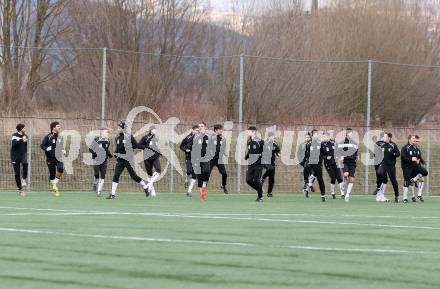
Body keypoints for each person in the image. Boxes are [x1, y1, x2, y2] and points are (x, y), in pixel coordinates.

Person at [107, 121, 149, 199]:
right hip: (120, 160)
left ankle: (144, 185)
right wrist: (116, 153)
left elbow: (136, 145)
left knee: (133, 176)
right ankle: (112, 194)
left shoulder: (129, 136)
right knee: (116, 175)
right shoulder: (117, 138)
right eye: (118, 128)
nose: (118, 129)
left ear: (123, 129)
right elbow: (118, 148)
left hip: (129, 159)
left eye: (119, 128)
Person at [400, 135, 428, 203]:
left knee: (425, 172)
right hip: (407, 167)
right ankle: (405, 198)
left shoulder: (416, 148)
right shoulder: (405, 148)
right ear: (409, 139)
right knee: (406, 181)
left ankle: (414, 180)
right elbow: (403, 157)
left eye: (415, 139)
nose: (415, 140)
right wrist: (411, 159)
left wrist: (422, 161)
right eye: (413, 138)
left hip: (415, 167)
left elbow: (418, 157)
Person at [40, 121, 64, 197]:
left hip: (59, 156)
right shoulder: (48, 136)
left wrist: (63, 150)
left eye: (59, 126)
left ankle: (54, 184)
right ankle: (55, 187)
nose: (59, 127)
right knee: (52, 174)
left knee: (61, 168)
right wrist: (46, 148)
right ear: (53, 128)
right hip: (50, 158)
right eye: (58, 126)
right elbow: (42, 145)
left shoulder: (60, 137)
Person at [375, 132, 400, 203]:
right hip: (383, 164)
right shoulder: (380, 144)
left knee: (393, 180)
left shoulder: (393, 145)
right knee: (379, 173)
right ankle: (378, 188)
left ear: (389, 138)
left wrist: (394, 154)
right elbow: (376, 149)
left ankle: (397, 195)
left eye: (385, 137)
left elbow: (398, 153)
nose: (384, 138)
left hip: (391, 165)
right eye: (383, 137)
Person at [192, 122, 212, 202]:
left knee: (206, 171)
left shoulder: (208, 137)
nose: (200, 127)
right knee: (199, 176)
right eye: (199, 126)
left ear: (205, 127)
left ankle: (204, 184)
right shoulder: (195, 137)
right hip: (197, 159)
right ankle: (202, 194)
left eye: (202, 126)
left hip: (206, 158)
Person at [139, 125, 162, 197]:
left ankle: (149, 184)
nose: (155, 131)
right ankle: (152, 191)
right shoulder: (145, 137)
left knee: (158, 170)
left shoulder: (157, 138)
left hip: (155, 157)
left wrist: (159, 152)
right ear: (151, 130)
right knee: (149, 174)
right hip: (147, 158)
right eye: (154, 130)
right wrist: (146, 147)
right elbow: (139, 145)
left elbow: (157, 146)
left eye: (156, 130)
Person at [89, 128, 113, 197]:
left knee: (103, 176)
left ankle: (99, 191)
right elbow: (90, 149)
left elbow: (106, 149)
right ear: (102, 133)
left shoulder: (108, 141)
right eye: (106, 132)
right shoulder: (96, 139)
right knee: (96, 173)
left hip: (104, 160)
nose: (107, 134)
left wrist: (110, 155)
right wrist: (95, 153)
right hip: (96, 159)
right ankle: (95, 183)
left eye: (107, 133)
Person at [321, 132, 344, 199]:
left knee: (339, 177)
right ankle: (333, 192)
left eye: (326, 136)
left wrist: (341, 156)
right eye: (324, 137)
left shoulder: (333, 142)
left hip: (335, 162)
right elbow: (320, 155)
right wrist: (325, 157)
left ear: (328, 137)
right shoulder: (322, 144)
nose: (325, 138)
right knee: (333, 178)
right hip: (328, 164)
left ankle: (342, 194)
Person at [338, 128, 358, 202]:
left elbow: (356, 153)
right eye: (349, 133)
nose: (351, 134)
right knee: (346, 174)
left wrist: (356, 157)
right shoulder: (342, 142)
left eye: (352, 133)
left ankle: (347, 195)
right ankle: (343, 184)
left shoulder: (355, 143)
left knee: (351, 179)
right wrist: (341, 156)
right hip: (345, 162)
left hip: (352, 162)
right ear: (346, 134)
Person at [245, 126, 264, 202]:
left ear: (254, 132)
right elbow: (250, 151)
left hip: (258, 164)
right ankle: (260, 190)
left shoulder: (260, 141)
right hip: (251, 164)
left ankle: (260, 197)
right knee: (248, 180)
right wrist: (246, 157)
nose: (247, 132)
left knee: (256, 180)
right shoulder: (249, 141)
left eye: (249, 131)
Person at [180, 125, 199, 197]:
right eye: (196, 130)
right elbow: (181, 146)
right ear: (193, 130)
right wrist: (186, 149)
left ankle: (189, 191)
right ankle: (186, 180)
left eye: (198, 131)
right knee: (189, 171)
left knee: (194, 174)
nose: (197, 132)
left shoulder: (199, 138)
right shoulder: (188, 138)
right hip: (189, 157)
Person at [209, 124, 228, 194]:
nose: (221, 131)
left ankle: (223, 185)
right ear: (216, 130)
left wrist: (225, 153)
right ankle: (203, 187)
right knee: (207, 174)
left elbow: (223, 147)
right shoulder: (211, 137)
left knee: (225, 174)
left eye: (222, 129)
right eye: (220, 130)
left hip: (219, 159)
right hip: (211, 159)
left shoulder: (223, 138)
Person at [11, 123, 29, 196]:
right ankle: (20, 188)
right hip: (15, 156)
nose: (25, 129)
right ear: (21, 129)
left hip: (23, 154)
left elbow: (24, 145)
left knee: (25, 164)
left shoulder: (26, 136)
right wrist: (22, 139)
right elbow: (14, 144)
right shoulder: (14, 135)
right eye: (24, 128)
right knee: (17, 173)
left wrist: (24, 139)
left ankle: (24, 179)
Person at [309, 130, 326, 202]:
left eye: (317, 134)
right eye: (315, 134)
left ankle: (322, 195)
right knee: (309, 173)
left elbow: (324, 153)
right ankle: (309, 183)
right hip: (310, 163)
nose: (316, 135)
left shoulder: (321, 144)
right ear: (312, 136)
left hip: (318, 164)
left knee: (320, 179)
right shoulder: (309, 144)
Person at [262, 132, 280, 198]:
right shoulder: (265, 144)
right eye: (271, 137)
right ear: (269, 137)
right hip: (265, 161)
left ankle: (269, 193)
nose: (273, 138)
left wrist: (278, 154)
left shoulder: (275, 145)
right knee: (270, 168)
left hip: (272, 162)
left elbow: (277, 151)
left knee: (272, 178)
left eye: (273, 137)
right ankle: (262, 178)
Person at [298, 132, 315, 197]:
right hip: (305, 162)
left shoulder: (313, 144)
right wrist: (301, 161)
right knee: (307, 172)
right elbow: (299, 154)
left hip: (312, 162)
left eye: (308, 137)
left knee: (313, 176)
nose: (307, 138)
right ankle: (306, 184)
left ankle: (307, 187)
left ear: (310, 138)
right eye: (306, 137)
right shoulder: (302, 145)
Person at [414, 135, 426, 202]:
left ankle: (419, 195)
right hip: (411, 167)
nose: (418, 142)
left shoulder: (418, 148)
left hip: (417, 167)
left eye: (418, 141)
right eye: (417, 141)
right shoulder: (411, 148)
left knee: (422, 179)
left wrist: (423, 161)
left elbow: (419, 157)